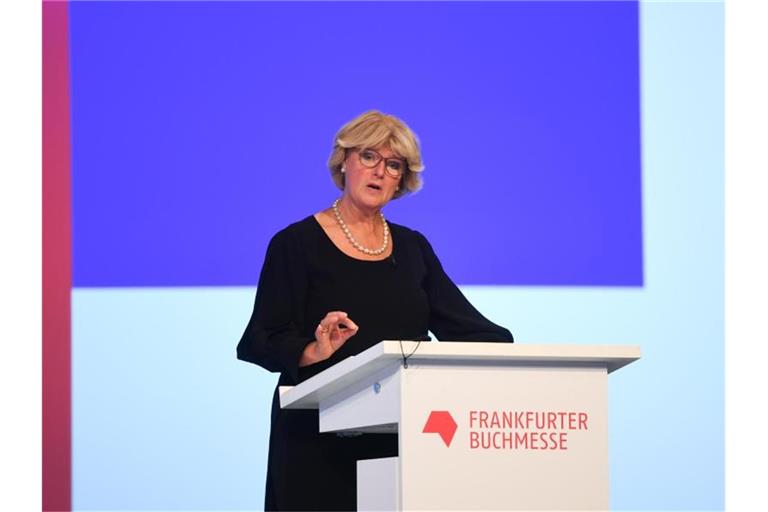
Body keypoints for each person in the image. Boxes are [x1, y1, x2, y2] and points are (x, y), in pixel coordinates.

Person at [237, 110, 514, 511]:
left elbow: (472, 329)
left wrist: (510, 360)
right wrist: (314, 349)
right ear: (344, 161)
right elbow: (259, 340)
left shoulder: (413, 248)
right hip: (315, 446)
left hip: (399, 442)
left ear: (402, 179)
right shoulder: (295, 244)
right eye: (369, 156)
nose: (380, 171)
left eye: (393, 164)